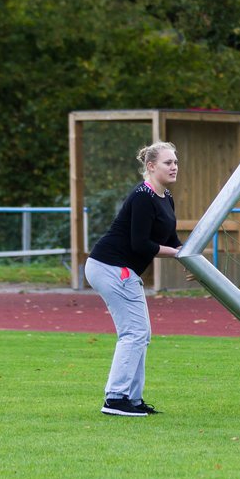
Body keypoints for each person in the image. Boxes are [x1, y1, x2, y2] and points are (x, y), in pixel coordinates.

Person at [84, 141, 183, 417]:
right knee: (134, 333)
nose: (174, 167)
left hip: (119, 268)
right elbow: (141, 244)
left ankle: (133, 399)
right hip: (110, 266)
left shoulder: (166, 197)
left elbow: (171, 240)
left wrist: (186, 255)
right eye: (168, 162)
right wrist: (177, 254)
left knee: (141, 334)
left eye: (175, 162)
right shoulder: (142, 196)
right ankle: (115, 398)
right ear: (151, 166)